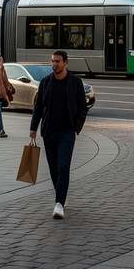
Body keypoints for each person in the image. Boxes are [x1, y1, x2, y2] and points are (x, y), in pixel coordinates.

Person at [29, 50, 89, 220]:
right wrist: (33, 128)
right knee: (54, 169)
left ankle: (59, 204)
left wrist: (75, 128)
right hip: (49, 132)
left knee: (63, 167)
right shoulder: (46, 82)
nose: (54, 64)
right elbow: (38, 107)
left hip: (66, 133)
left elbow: (82, 107)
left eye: (57, 61)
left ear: (65, 63)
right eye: (52, 61)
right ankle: (61, 195)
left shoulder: (75, 82)